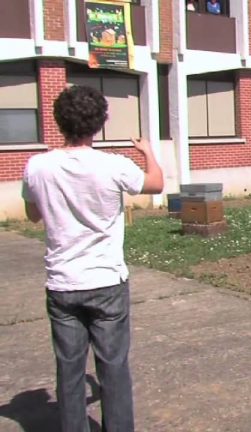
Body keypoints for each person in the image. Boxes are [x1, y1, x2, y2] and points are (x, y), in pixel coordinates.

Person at [21, 85, 164, 432]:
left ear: (58, 121)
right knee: (113, 366)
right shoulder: (114, 166)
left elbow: (33, 216)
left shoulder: (38, 166)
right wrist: (147, 152)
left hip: (62, 283)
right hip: (106, 281)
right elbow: (156, 184)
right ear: (99, 123)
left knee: (68, 368)